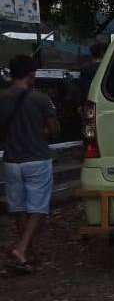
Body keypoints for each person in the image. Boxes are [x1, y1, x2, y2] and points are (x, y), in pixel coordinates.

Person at [0, 55, 59, 273]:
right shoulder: (41, 100)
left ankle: (26, 254)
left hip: (11, 161)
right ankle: (23, 248)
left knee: (19, 209)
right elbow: (53, 129)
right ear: (31, 74)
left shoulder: (3, 99)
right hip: (37, 158)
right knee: (39, 209)